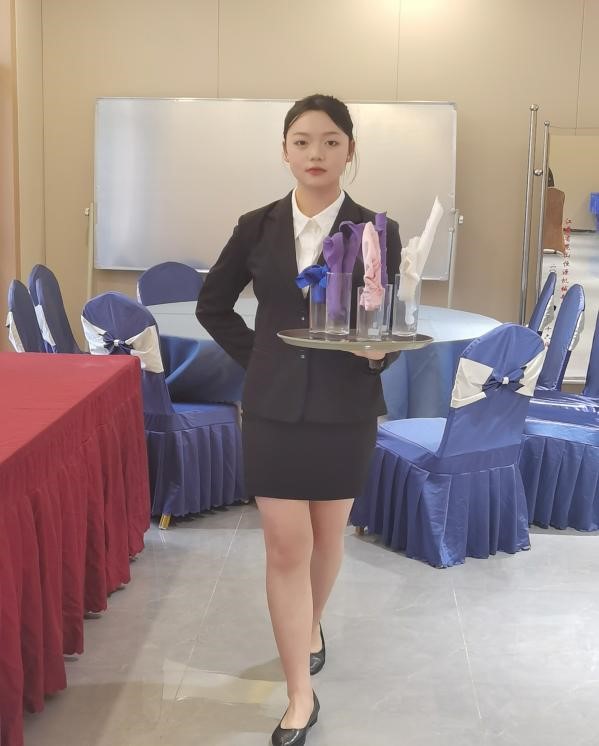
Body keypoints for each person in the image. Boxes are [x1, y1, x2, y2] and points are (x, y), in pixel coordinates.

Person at [196, 93, 401, 746]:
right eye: (303, 141)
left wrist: (379, 354)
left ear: (350, 150)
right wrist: (261, 356)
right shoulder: (255, 226)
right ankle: (298, 695)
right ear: (284, 150)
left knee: (328, 537)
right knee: (286, 546)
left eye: (331, 141)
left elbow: (386, 320)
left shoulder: (376, 230)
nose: (316, 153)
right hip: (273, 410)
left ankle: (310, 624)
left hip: (346, 409)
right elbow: (212, 304)